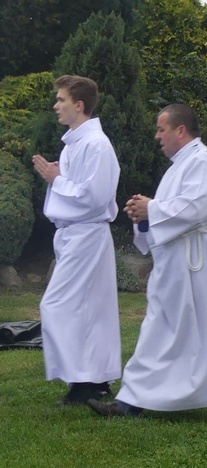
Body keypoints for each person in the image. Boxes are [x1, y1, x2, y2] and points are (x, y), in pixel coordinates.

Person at [87, 104, 207, 420]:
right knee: (160, 326)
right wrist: (145, 216)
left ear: (181, 130)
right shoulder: (179, 166)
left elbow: (195, 208)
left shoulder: (204, 162)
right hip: (176, 262)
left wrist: (153, 209)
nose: (157, 136)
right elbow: (174, 209)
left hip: (204, 261)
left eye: (161, 129)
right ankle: (130, 401)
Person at [31, 75, 121, 405]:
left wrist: (58, 181)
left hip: (87, 234)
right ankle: (87, 382)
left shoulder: (96, 145)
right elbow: (78, 188)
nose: (56, 105)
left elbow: (96, 197)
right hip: (71, 235)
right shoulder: (74, 144)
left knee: (61, 306)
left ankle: (90, 380)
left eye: (61, 100)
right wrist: (60, 177)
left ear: (78, 105)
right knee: (84, 310)